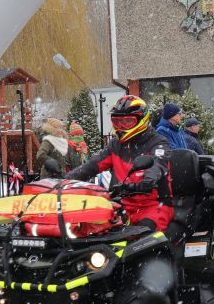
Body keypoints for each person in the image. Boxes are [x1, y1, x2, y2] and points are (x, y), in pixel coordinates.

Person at [68, 95, 173, 234]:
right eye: (117, 122)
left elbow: (158, 164)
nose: (121, 127)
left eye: (127, 122)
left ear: (142, 120)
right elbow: (92, 165)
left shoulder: (158, 143)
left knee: (143, 240)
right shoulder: (116, 145)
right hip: (121, 206)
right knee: (89, 231)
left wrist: (147, 181)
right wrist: (64, 180)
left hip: (154, 206)